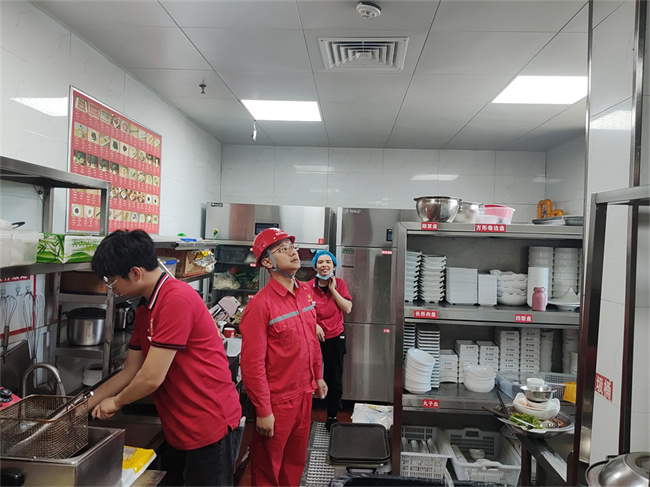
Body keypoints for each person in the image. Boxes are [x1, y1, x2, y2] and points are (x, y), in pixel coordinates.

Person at [88, 229, 242, 487]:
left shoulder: (175, 299)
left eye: (113, 282)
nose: (113, 290)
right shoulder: (145, 307)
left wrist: (116, 402)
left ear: (135, 273)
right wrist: (83, 406)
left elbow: (151, 378)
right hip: (180, 424)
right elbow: (130, 371)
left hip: (208, 423)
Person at [239, 228, 328, 487]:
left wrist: (318, 376)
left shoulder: (305, 293)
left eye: (292, 246)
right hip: (278, 401)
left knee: (295, 462)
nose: (292, 252)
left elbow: (311, 341)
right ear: (267, 263)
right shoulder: (260, 305)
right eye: (283, 249)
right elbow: (252, 364)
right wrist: (264, 410)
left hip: (304, 394)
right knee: (269, 468)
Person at [308, 250, 352, 431]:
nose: (324, 265)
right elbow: (301, 311)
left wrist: (333, 290)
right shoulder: (307, 287)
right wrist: (314, 325)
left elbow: (347, 308)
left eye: (328, 262)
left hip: (335, 337)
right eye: (320, 262)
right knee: (308, 375)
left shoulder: (340, 284)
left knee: (334, 378)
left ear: (334, 266)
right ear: (315, 266)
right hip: (312, 339)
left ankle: (332, 416)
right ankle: (304, 414)